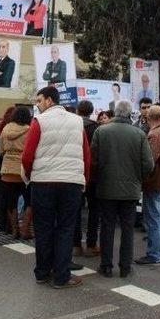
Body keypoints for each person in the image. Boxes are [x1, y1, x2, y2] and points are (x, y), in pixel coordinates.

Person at [22, 86, 91, 288]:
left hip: (43, 183)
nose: (37, 104)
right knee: (65, 229)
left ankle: (42, 273)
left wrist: (28, 176)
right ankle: (61, 276)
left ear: (50, 101)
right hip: (71, 183)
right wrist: (84, 179)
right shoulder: (77, 121)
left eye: (39, 100)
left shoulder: (39, 121)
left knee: (43, 229)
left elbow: (28, 154)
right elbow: (86, 154)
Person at [92, 100, 154, 278]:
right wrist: (138, 179)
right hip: (130, 189)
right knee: (128, 229)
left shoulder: (101, 131)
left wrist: (99, 178)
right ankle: (125, 267)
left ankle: (106, 266)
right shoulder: (139, 134)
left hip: (106, 188)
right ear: (129, 114)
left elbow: (94, 160)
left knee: (107, 227)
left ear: (115, 112)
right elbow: (148, 164)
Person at [135, 106, 160, 265]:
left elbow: (149, 162)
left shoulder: (154, 134)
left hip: (156, 182)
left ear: (148, 117)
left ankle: (154, 254)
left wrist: (141, 178)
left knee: (153, 220)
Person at [0, 107, 32, 238]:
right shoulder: (29, 130)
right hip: (24, 171)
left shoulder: (5, 129)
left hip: (7, 170)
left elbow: (0, 150)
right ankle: (25, 230)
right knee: (29, 201)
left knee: (10, 202)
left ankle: (14, 230)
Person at [73, 100, 100, 257]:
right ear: (91, 111)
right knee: (94, 210)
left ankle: (76, 244)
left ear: (77, 110)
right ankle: (91, 244)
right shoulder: (96, 128)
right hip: (94, 174)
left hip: (76, 172)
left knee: (75, 210)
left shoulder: (72, 125)